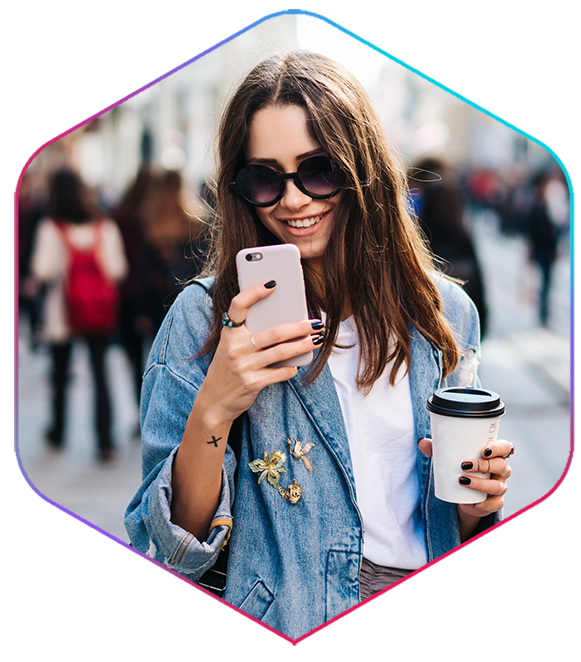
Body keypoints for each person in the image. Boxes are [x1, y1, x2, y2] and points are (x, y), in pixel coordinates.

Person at [124, 51, 513, 639]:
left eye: (319, 170)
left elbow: (459, 523)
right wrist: (215, 407)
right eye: (264, 176)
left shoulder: (444, 312)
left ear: (362, 168)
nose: (294, 200)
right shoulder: (204, 319)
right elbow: (172, 549)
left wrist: (479, 502)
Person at [30, 169, 128, 462]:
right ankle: (105, 440)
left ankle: (58, 432)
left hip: (62, 313)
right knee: (100, 373)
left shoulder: (51, 227)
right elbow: (118, 270)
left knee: (60, 373)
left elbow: (41, 269)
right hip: (98, 311)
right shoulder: (104, 226)